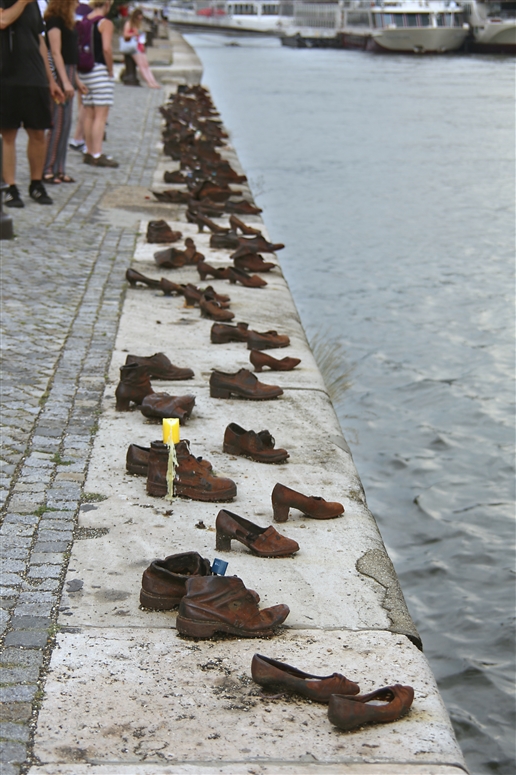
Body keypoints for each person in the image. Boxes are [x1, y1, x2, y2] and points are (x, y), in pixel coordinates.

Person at [0, 0, 64, 207]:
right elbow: (3, 20)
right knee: (8, 134)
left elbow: (41, 42)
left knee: (38, 133)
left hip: (34, 77)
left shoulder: (34, 5)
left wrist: (51, 80)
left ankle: (36, 183)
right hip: (6, 76)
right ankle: (10, 187)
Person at [43, 0, 87, 183]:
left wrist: (75, 80)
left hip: (68, 71)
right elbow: (55, 52)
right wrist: (65, 81)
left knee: (66, 123)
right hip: (61, 74)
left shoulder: (68, 22)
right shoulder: (54, 21)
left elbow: (69, 55)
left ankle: (60, 167)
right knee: (58, 123)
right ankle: (48, 167)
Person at [79, 0, 118, 168]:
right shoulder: (105, 23)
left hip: (85, 71)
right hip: (99, 71)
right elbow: (107, 49)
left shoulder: (84, 20)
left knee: (88, 113)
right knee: (101, 116)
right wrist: (110, 70)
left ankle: (88, 151)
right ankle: (97, 153)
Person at [122, 7, 160, 89]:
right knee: (141, 65)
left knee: (146, 64)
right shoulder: (129, 24)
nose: (139, 20)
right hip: (132, 46)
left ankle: (153, 81)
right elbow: (125, 35)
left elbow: (141, 36)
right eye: (138, 18)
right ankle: (149, 82)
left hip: (139, 46)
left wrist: (142, 44)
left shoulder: (138, 25)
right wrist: (134, 34)